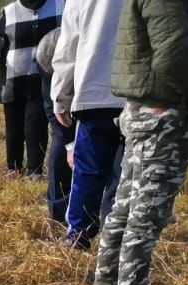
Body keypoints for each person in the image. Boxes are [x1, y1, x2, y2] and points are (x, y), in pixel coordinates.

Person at [83, 0, 188, 285]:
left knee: (125, 212)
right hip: (160, 116)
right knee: (143, 219)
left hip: (143, 110)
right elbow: (174, 54)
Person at [51, 0, 127, 251]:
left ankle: (78, 235)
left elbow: (68, 44)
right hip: (138, 95)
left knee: (88, 172)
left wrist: (61, 95)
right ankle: (118, 238)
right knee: (127, 173)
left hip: (93, 91)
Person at [0, 0, 65, 177]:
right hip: (13, 81)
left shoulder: (59, 6)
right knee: (14, 128)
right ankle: (13, 168)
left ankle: (35, 171)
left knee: (36, 125)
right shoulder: (9, 12)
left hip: (44, 80)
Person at [36, 27, 75, 224]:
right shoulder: (45, 63)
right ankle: (58, 214)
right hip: (63, 115)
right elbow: (52, 109)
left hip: (93, 103)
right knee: (60, 146)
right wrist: (70, 144)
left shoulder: (82, 59)